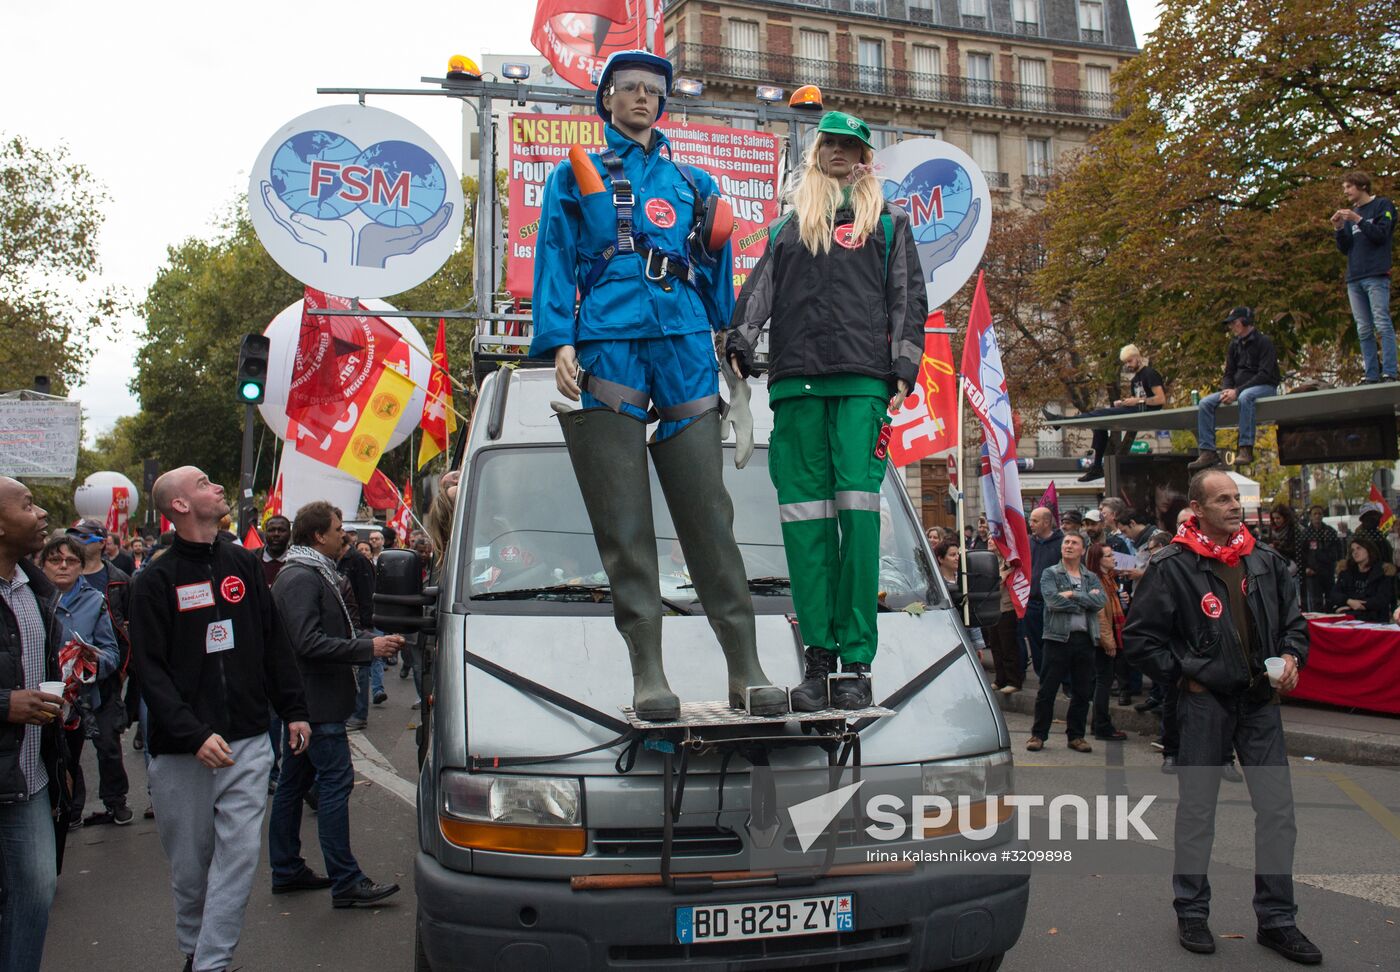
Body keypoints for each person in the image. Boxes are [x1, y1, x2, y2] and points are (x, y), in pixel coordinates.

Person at [530, 49, 786, 722]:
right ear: (607, 99)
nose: (642, 98)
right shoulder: (572, 175)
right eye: (629, 89)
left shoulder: (693, 182)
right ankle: (648, 670)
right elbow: (554, 255)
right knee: (625, 526)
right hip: (609, 342)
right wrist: (559, 337)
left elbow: (719, 267)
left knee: (709, 515)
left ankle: (746, 668)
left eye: (652, 90)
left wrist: (732, 346)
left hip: (682, 345)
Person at [727, 108, 924, 711]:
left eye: (850, 144)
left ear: (865, 157)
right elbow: (758, 289)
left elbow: (907, 298)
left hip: (863, 384)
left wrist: (903, 370)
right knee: (805, 527)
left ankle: (856, 662)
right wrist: (739, 339)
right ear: (817, 154)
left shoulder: (888, 224)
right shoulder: (790, 228)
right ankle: (818, 661)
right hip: (794, 388)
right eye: (830, 143)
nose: (839, 151)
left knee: (859, 524)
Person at [1123, 469, 1320, 964]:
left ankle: (1277, 920)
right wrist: (1186, 674)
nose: (1235, 506)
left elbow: (1295, 625)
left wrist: (1294, 657)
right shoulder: (1172, 566)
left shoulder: (1266, 560)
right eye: (1224, 499)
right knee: (1198, 812)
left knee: (1277, 813)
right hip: (1205, 703)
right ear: (1198, 509)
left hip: (1260, 703)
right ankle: (1191, 911)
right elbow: (1140, 641)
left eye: (1237, 498)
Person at [130, 466, 311, 972]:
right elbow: (151, 672)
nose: (217, 486)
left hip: (250, 740)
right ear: (181, 505)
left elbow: (273, 640)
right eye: (205, 482)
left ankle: (210, 963)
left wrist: (293, 709)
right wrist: (192, 734)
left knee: (238, 860)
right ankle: (194, 949)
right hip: (184, 751)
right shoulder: (154, 580)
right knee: (190, 868)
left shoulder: (243, 564)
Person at [269, 501, 403, 908]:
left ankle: (287, 868)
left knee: (293, 785)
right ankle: (346, 881)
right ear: (317, 536)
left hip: (313, 701)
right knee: (334, 783)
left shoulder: (311, 572)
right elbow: (306, 643)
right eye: (338, 527)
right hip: (316, 704)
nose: (345, 534)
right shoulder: (300, 578)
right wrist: (368, 646)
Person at [0, 478, 70, 971]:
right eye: (27, 506)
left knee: (37, 893)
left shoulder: (34, 590)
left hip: (30, 780)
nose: (42, 512)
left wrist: (65, 688)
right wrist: (4, 703)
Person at [40, 535, 127, 828]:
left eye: (71, 561)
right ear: (42, 565)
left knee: (101, 749)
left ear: (81, 566)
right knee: (59, 759)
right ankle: (68, 811)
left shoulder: (94, 600)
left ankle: (111, 803)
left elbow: (112, 653)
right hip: (44, 699)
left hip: (88, 698)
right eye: (55, 560)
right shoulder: (32, 598)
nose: (63, 566)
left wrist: (88, 661)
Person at [67, 519, 132, 824]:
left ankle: (115, 801)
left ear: (101, 541)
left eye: (82, 536)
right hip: (65, 681)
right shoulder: (58, 580)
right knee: (68, 748)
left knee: (108, 743)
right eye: (71, 536)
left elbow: (128, 627)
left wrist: (120, 669)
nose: (75, 540)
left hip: (105, 676)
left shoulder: (117, 579)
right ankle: (71, 808)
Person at [1025, 531, 1105, 753]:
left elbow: (1100, 601)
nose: (1068, 546)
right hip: (1057, 638)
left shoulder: (1090, 576)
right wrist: (1083, 600)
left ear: (1083, 549)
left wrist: (1072, 595)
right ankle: (1038, 735)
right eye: (1066, 542)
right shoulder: (1051, 573)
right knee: (1047, 690)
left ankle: (1076, 736)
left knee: (1081, 691)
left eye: (1074, 543)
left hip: (1084, 639)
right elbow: (1052, 601)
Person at [1188, 307, 1280, 472]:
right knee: (1205, 403)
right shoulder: (1234, 345)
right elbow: (1229, 373)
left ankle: (1245, 448)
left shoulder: (1264, 342)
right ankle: (1207, 451)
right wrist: (1226, 390)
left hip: (1264, 387)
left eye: (1234, 322)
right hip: (1238, 389)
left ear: (1246, 321)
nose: (1232, 326)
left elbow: (1265, 374)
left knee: (1246, 397)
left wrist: (1237, 392)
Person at [1060, 343, 1166, 482]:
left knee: (1101, 412)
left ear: (1138, 357)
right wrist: (1123, 402)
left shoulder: (1150, 374)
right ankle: (1097, 467)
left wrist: (1136, 401)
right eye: (1125, 363)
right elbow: (1138, 400)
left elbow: (1160, 399)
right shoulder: (1135, 380)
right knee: (1099, 422)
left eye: (1130, 361)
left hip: (1148, 411)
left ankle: (1064, 420)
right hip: (1138, 410)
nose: (1128, 365)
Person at [1331, 170, 1396, 383]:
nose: (1346, 191)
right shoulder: (1351, 215)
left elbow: (1381, 235)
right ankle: (1371, 374)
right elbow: (1345, 247)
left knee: (1382, 323)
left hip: (1376, 274)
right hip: (1354, 278)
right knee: (1363, 328)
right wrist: (1339, 228)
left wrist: (1358, 219)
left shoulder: (1382, 206)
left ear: (1362, 186)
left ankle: (1390, 371)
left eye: (1349, 187)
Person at [1085, 542, 1127, 742]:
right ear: (1099, 560)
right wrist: (1109, 643)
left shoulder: (1109, 579)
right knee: (1103, 683)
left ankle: (1098, 724)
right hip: (1102, 641)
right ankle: (1102, 725)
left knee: (1102, 681)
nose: (1114, 559)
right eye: (1109, 556)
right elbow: (1100, 616)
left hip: (1106, 637)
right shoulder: (1097, 582)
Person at [338, 531, 380, 726]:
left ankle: (359, 714)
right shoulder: (338, 560)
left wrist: (365, 623)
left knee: (362, 669)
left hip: (359, 623)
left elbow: (366, 592)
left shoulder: (356, 560)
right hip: (346, 622)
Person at [1020, 507, 1063, 680]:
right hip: (1033, 602)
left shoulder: (1062, 543)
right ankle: (1043, 677)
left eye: (1035, 521)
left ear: (1047, 522)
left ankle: (1063, 680)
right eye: (1030, 520)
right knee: (1036, 643)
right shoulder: (1029, 542)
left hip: (1053, 603)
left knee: (1056, 643)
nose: (1031, 524)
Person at [1326, 535, 1392, 622]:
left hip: (1374, 619)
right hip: (1350, 618)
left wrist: (1352, 605)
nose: (1355, 552)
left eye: (1359, 548)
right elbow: (1334, 594)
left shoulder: (1382, 572)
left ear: (1369, 550)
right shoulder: (1347, 572)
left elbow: (1381, 599)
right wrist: (1349, 601)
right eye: (1352, 550)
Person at [1298, 506, 1340, 612]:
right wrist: (1305, 568)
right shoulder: (1305, 533)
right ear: (1310, 516)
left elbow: (1338, 550)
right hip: (1313, 573)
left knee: (1331, 599)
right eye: (1315, 514)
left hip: (1328, 571)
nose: (1317, 516)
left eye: (1319, 514)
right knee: (1316, 602)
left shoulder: (1330, 532)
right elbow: (1301, 554)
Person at [261, 515, 291, 585]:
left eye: (281, 530)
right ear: (265, 533)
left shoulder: (298, 561)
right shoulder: (251, 558)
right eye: (271, 530)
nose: (276, 534)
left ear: (290, 533)